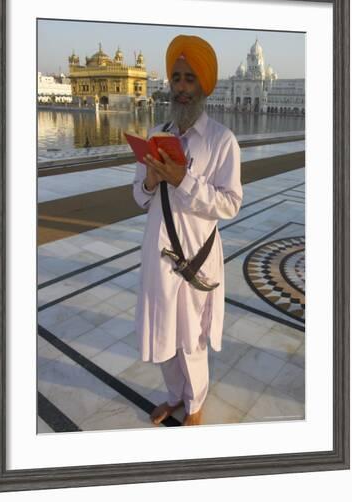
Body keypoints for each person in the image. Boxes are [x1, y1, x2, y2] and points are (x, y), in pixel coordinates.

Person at [132, 34, 243, 426]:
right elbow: (140, 199)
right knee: (164, 333)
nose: (181, 87)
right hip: (158, 255)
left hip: (195, 257)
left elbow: (230, 203)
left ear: (203, 85)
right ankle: (175, 396)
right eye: (176, 78)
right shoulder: (157, 135)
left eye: (189, 78)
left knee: (192, 338)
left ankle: (194, 405)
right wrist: (148, 180)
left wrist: (183, 180)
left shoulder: (222, 141)